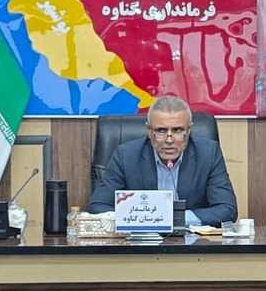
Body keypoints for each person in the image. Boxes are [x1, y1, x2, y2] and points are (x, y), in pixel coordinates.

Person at [88, 95, 237, 225]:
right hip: (139, 243)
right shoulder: (125, 156)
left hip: (192, 243)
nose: (169, 140)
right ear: (149, 130)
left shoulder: (208, 153)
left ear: (189, 130)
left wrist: (175, 219)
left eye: (177, 130)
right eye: (161, 131)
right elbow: (98, 206)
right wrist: (145, 219)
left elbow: (227, 209)